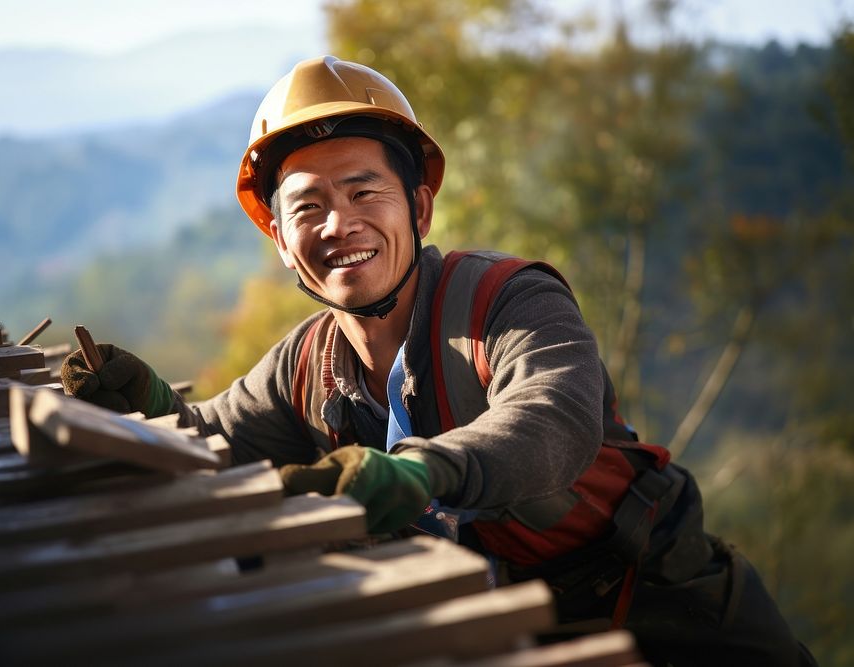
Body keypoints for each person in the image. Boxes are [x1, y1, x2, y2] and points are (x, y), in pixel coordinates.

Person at [61, 55, 815, 666]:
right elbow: (211, 443)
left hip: (659, 604)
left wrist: (421, 469)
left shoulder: (509, 301)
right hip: (508, 633)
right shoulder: (306, 366)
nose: (339, 224)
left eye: (365, 192)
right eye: (307, 207)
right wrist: (147, 403)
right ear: (283, 242)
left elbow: (551, 420)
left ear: (418, 207)